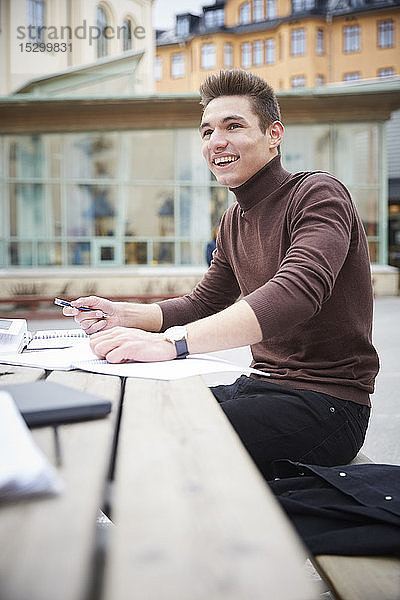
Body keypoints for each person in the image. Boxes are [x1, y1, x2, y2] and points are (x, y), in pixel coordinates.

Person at [64, 69, 379, 481]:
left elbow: (297, 292)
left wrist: (172, 344)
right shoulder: (233, 220)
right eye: (207, 131)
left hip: (327, 404)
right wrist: (123, 315)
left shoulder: (317, 193)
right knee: (126, 415)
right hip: (263, 385)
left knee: (153, 444)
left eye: (234, 126)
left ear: (274, 135)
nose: (216, 141)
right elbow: (204, 302)